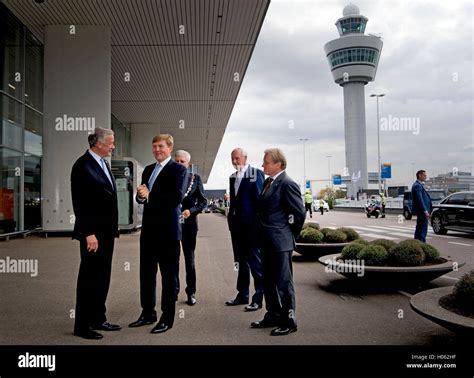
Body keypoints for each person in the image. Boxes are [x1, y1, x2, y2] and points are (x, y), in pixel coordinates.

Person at [129, 134, 187, 334]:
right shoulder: (148, 170)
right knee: (146, 274)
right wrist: (140, 195)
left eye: (161, 146)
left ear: (170, 147)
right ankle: (147, 313)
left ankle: (167, 318)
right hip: (149, 232)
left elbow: (176, 198)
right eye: (154, 147)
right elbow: (142, 200)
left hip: (168, 233)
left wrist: (150, 195)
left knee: (168, 277)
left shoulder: (179, 170)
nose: (157, 150)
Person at [71, 127, 120, 340]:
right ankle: (82, 326)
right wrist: (88, 232)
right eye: (111, 142)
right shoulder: (82, 166)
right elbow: (80, 202)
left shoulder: (103, 164)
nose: (113, 146)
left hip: (107, 232)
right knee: (89, 278)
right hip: (93, 235)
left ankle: (99, 318)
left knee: (102, 276)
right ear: (98, 143)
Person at [251, 148, 305, 336]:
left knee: (284, 284)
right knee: (268, 282)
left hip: (280, 243)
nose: (262, 164)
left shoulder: (287, 183)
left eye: (266, 162)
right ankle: (273, 314)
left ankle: (289, 321)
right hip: (266, 242)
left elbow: (299, 214)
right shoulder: (268, 181)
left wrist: (289, 236)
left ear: (278, 164)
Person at [226, 148, 265, 311]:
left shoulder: (256, 173)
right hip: (237, 228)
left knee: (255, 263)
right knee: (241, 262)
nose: (235, 162)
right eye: (232, 159)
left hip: (251, 228)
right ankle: (242, 295)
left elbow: (260, 202)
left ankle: (258, 298)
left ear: (245, 158)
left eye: (237, 158)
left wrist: (258, 227)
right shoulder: (233, 177)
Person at [174, 150, 207, 306]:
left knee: (189, 260)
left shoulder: (195, 179)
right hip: (171, 224)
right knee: (172, 260)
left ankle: (191, 292)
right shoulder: (168, 177)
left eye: (182, 162)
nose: (179, 164)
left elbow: (203, 202)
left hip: (189, 225)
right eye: (177, 161)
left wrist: (191, 211)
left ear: (188, 164)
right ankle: (173, 290)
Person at [411, 170, 432, 243]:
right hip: (422, 211)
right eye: (424, 175)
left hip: (421, 211)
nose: (425, 177)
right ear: (420, 175)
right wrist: (425, 210)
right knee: (422, 229)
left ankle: (417, 243)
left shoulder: (419, 185)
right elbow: (420, 200)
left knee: (420, 228)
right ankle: (422, 244)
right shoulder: (417, 185)